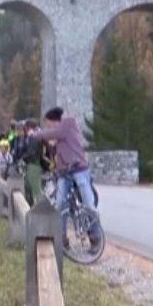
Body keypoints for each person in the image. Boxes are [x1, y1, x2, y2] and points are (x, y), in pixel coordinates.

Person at [33, 106, 101, 248]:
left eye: (47, 124)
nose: (47, 127)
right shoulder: (60, 135)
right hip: (65, 173)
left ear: (53, 121)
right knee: (60, 206)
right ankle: (62, 238)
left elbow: (50, 133)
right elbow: (57, 150)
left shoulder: (68, 124)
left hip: (79, 170)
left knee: (88, 204)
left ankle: (96, 238)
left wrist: (36, 134)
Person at [22, 119, 45, 206]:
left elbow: (32, 152)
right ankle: (29, 206)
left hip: (34, 164)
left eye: (26, 128)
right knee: (27, 186)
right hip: (33, 164)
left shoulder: (35, 137)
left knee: (36, 189)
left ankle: (42, 210)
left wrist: (23, 158)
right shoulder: (36, 136)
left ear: (29, 128)